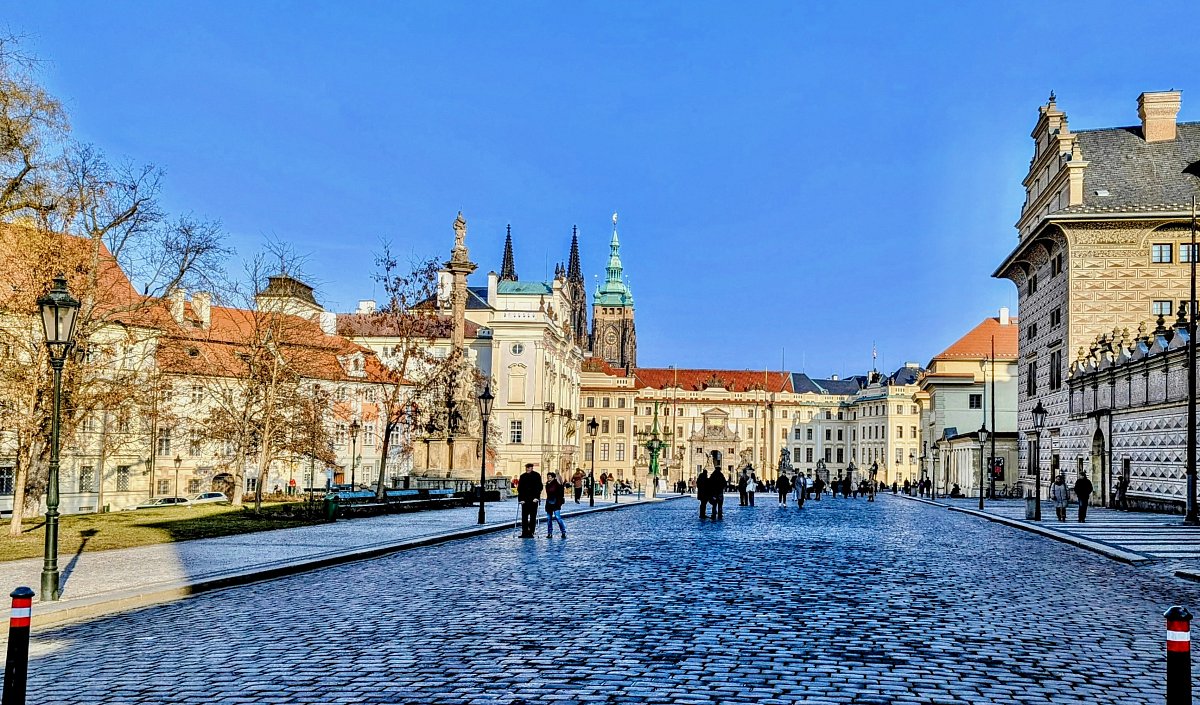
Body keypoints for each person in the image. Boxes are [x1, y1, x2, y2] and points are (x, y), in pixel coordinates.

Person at [517, 463, 543, 538]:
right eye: (527, 468)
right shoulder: (523, 476)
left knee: (533, 517)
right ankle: (524, 532)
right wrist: (521, 499)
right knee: (524, 517)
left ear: (532, 468)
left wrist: (537, 497)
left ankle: (531, 532)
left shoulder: (536, 475)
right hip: (525, 499)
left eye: (529, 468)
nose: (528, 469)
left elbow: (539, 487)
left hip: (533, 499)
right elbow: (520, 488)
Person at [544, 471, 567, 538]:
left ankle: (563, 531)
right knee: (549, 519)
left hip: (556, 503)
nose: (548, 478)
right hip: (549, 502)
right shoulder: (547, 484)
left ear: (553, 477)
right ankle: (549, 533)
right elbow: (548, 492)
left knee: (558, 518)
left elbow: (556, 492)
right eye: (548, 477)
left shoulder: (557, 484)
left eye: (550, 477)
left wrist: (559, 503)